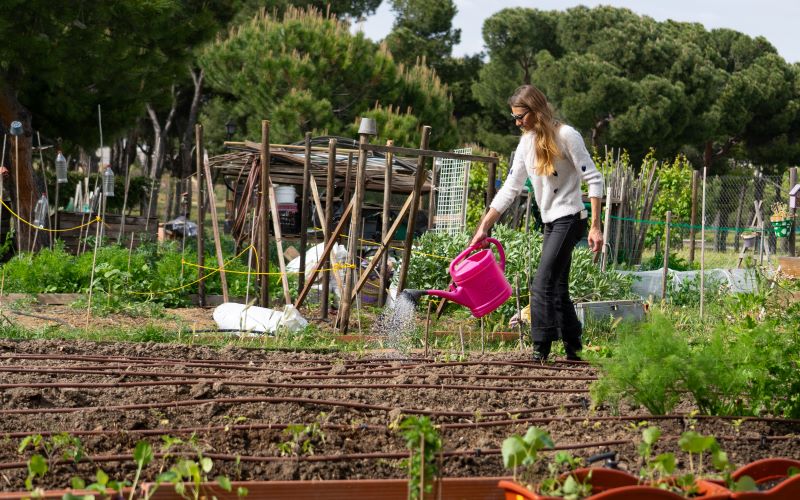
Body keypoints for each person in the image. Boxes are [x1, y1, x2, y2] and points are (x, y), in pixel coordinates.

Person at [470, 84, 604, 362]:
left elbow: (594, 178)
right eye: (514, 118)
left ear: (537, 110)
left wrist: (595, 226)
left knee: (541, 283)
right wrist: (485, 225)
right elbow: (510, 187)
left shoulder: (566, 135)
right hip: (551, 222)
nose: (518, 123)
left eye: (521, 116)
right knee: (557, 287)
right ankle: (574, 348)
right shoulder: (526, 143)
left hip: (571, 218)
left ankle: (540, 349)